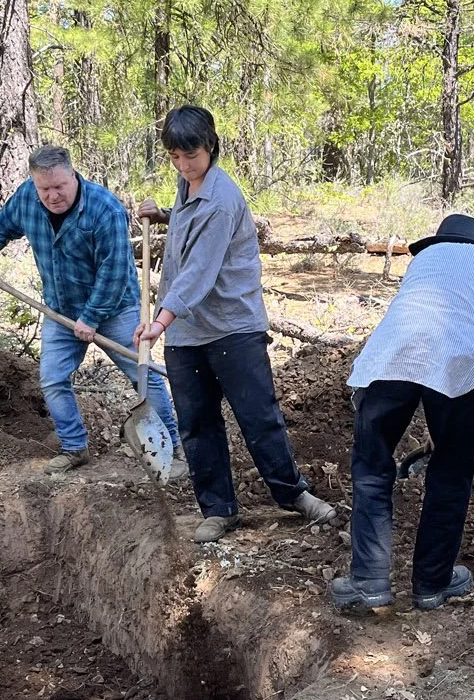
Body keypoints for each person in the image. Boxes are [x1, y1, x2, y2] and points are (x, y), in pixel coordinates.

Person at [135, 106, 335, 543]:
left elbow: (199, 271)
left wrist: (160, 320)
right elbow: (189, 227)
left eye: (192, 155)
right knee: (196, 421)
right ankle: (219, 509)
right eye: (175, 157)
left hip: (231, 326)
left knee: (257, 416)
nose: (185, 165)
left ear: (210, 146)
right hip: (188, 330)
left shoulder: (224, 199)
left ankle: (294, 495)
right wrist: (164, 213)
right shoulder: (188, 187)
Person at [330, 214, 474, 612]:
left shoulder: (422, 261)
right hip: (460, 362)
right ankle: (432, 582)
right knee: (451, 472)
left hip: (392, 359)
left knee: (372, 467)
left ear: (438, 241)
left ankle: (368, 581)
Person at [0, 144, 179, 473]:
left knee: (145, 377)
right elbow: (1, 226)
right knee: (52, 379)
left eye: (59, 187)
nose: (52, 196)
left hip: (115, 309)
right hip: (60, 310)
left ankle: (172, 451)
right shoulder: (26, 198)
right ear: (34, 183)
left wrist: (90, 318)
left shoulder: (104, 208)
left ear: (73, 176)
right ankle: (74, 447)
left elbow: (114, 273)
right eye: (44, 189)